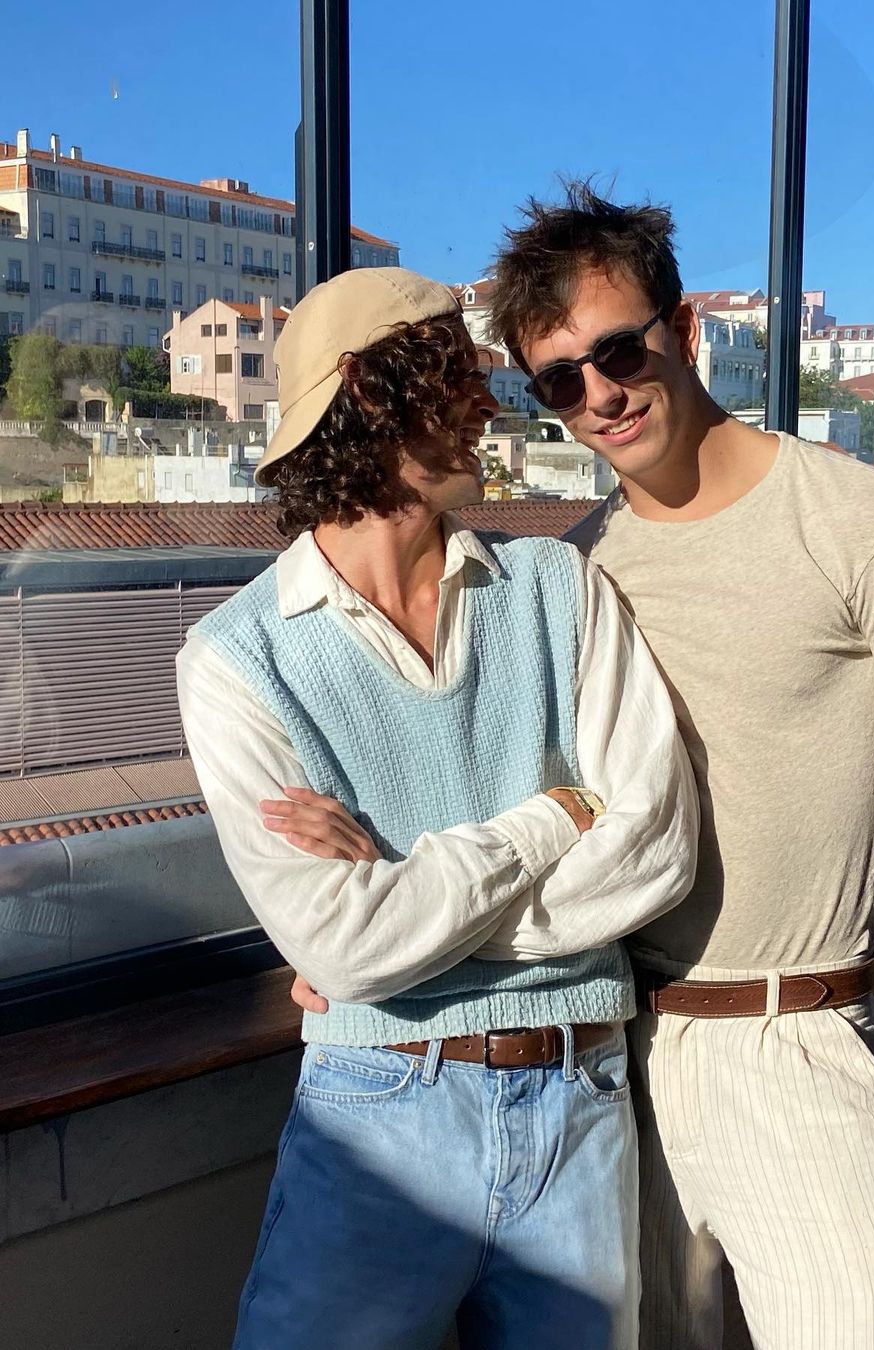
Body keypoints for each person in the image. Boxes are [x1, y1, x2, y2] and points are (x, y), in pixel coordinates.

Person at [478, 184, 874, 1350]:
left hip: (798, 1034)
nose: (599, 394)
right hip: (615, 1044)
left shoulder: (860, 519)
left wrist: (798, 815)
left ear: (681, 327)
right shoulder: (581, 569)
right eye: (559, 380)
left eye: (618, 351)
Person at [175, 267, 698, 1350]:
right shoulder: (233, 659)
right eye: (456, 377)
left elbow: (656, 849)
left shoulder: (557, 586)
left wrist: (404, 899)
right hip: (377, 1117)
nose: (488, 404)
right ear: (372, 396)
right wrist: (552, 819)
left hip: (579, 1099)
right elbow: (342, 945)